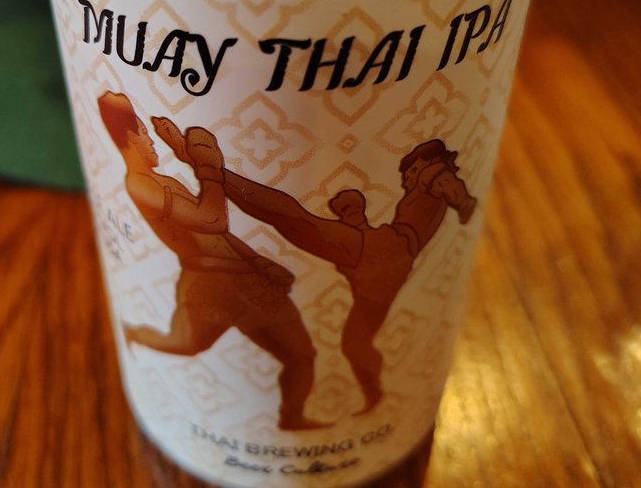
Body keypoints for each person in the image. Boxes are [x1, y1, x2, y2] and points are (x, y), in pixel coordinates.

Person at [97, 92, 328, 430]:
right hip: (208, 285)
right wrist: (206, 165)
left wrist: (257, 261)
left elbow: (216, 237)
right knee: (187, 345)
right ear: (131, 137)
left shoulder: (162, 181)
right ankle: (136, 334)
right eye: (145, 133)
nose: (151, 141)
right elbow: (212, 221)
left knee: (301, 354)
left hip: (246, 277)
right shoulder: (140, 185)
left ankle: (291, 418)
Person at [221, 140, 477, 414]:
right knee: (355, 343)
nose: (408, 177)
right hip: (387, 271)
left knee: (295, 221)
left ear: (427, 161)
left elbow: (445, 182)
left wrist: (464, 203)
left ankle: (219, 175)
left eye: (412, 170)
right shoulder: (424, 187)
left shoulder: (431, 171)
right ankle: (374, 394)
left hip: (387, 249)